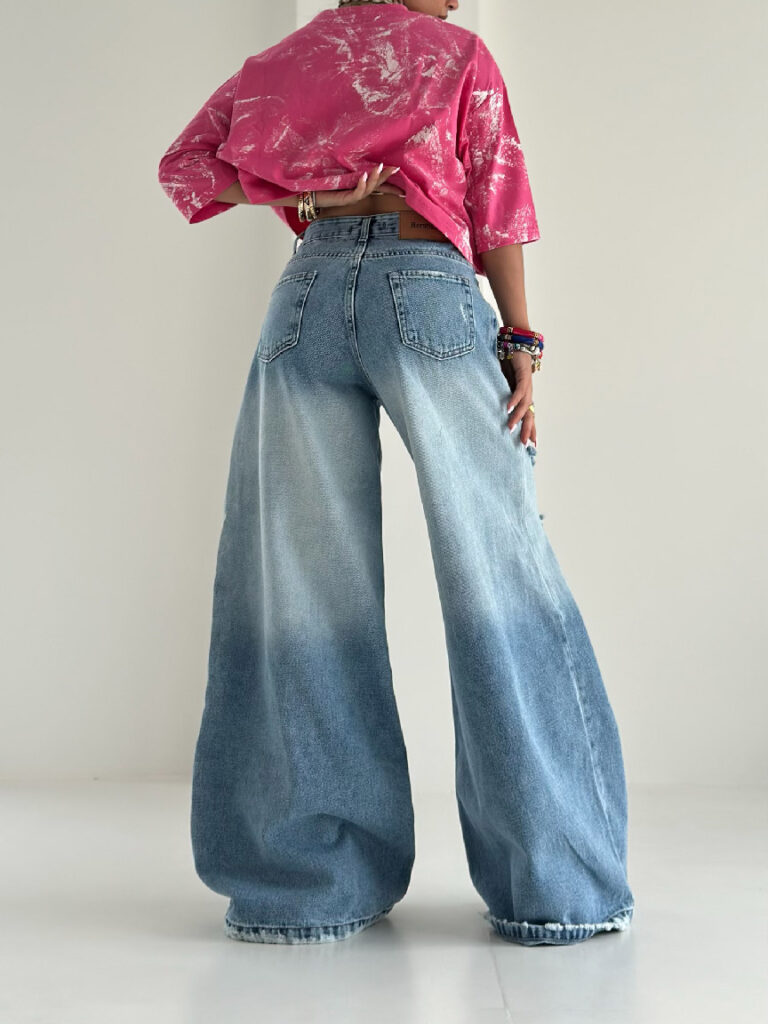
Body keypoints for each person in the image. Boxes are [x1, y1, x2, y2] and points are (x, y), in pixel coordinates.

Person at [157, 0, 636, 947]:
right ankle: (555, 886)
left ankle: (308, 887)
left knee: (301, 588)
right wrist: (523, 341)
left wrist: (309, 202)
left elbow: (186, 166)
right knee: (498, 575)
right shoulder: (457, 54)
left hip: (304, 300)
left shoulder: (284, 58)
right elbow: (496, 196)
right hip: (426, 289)